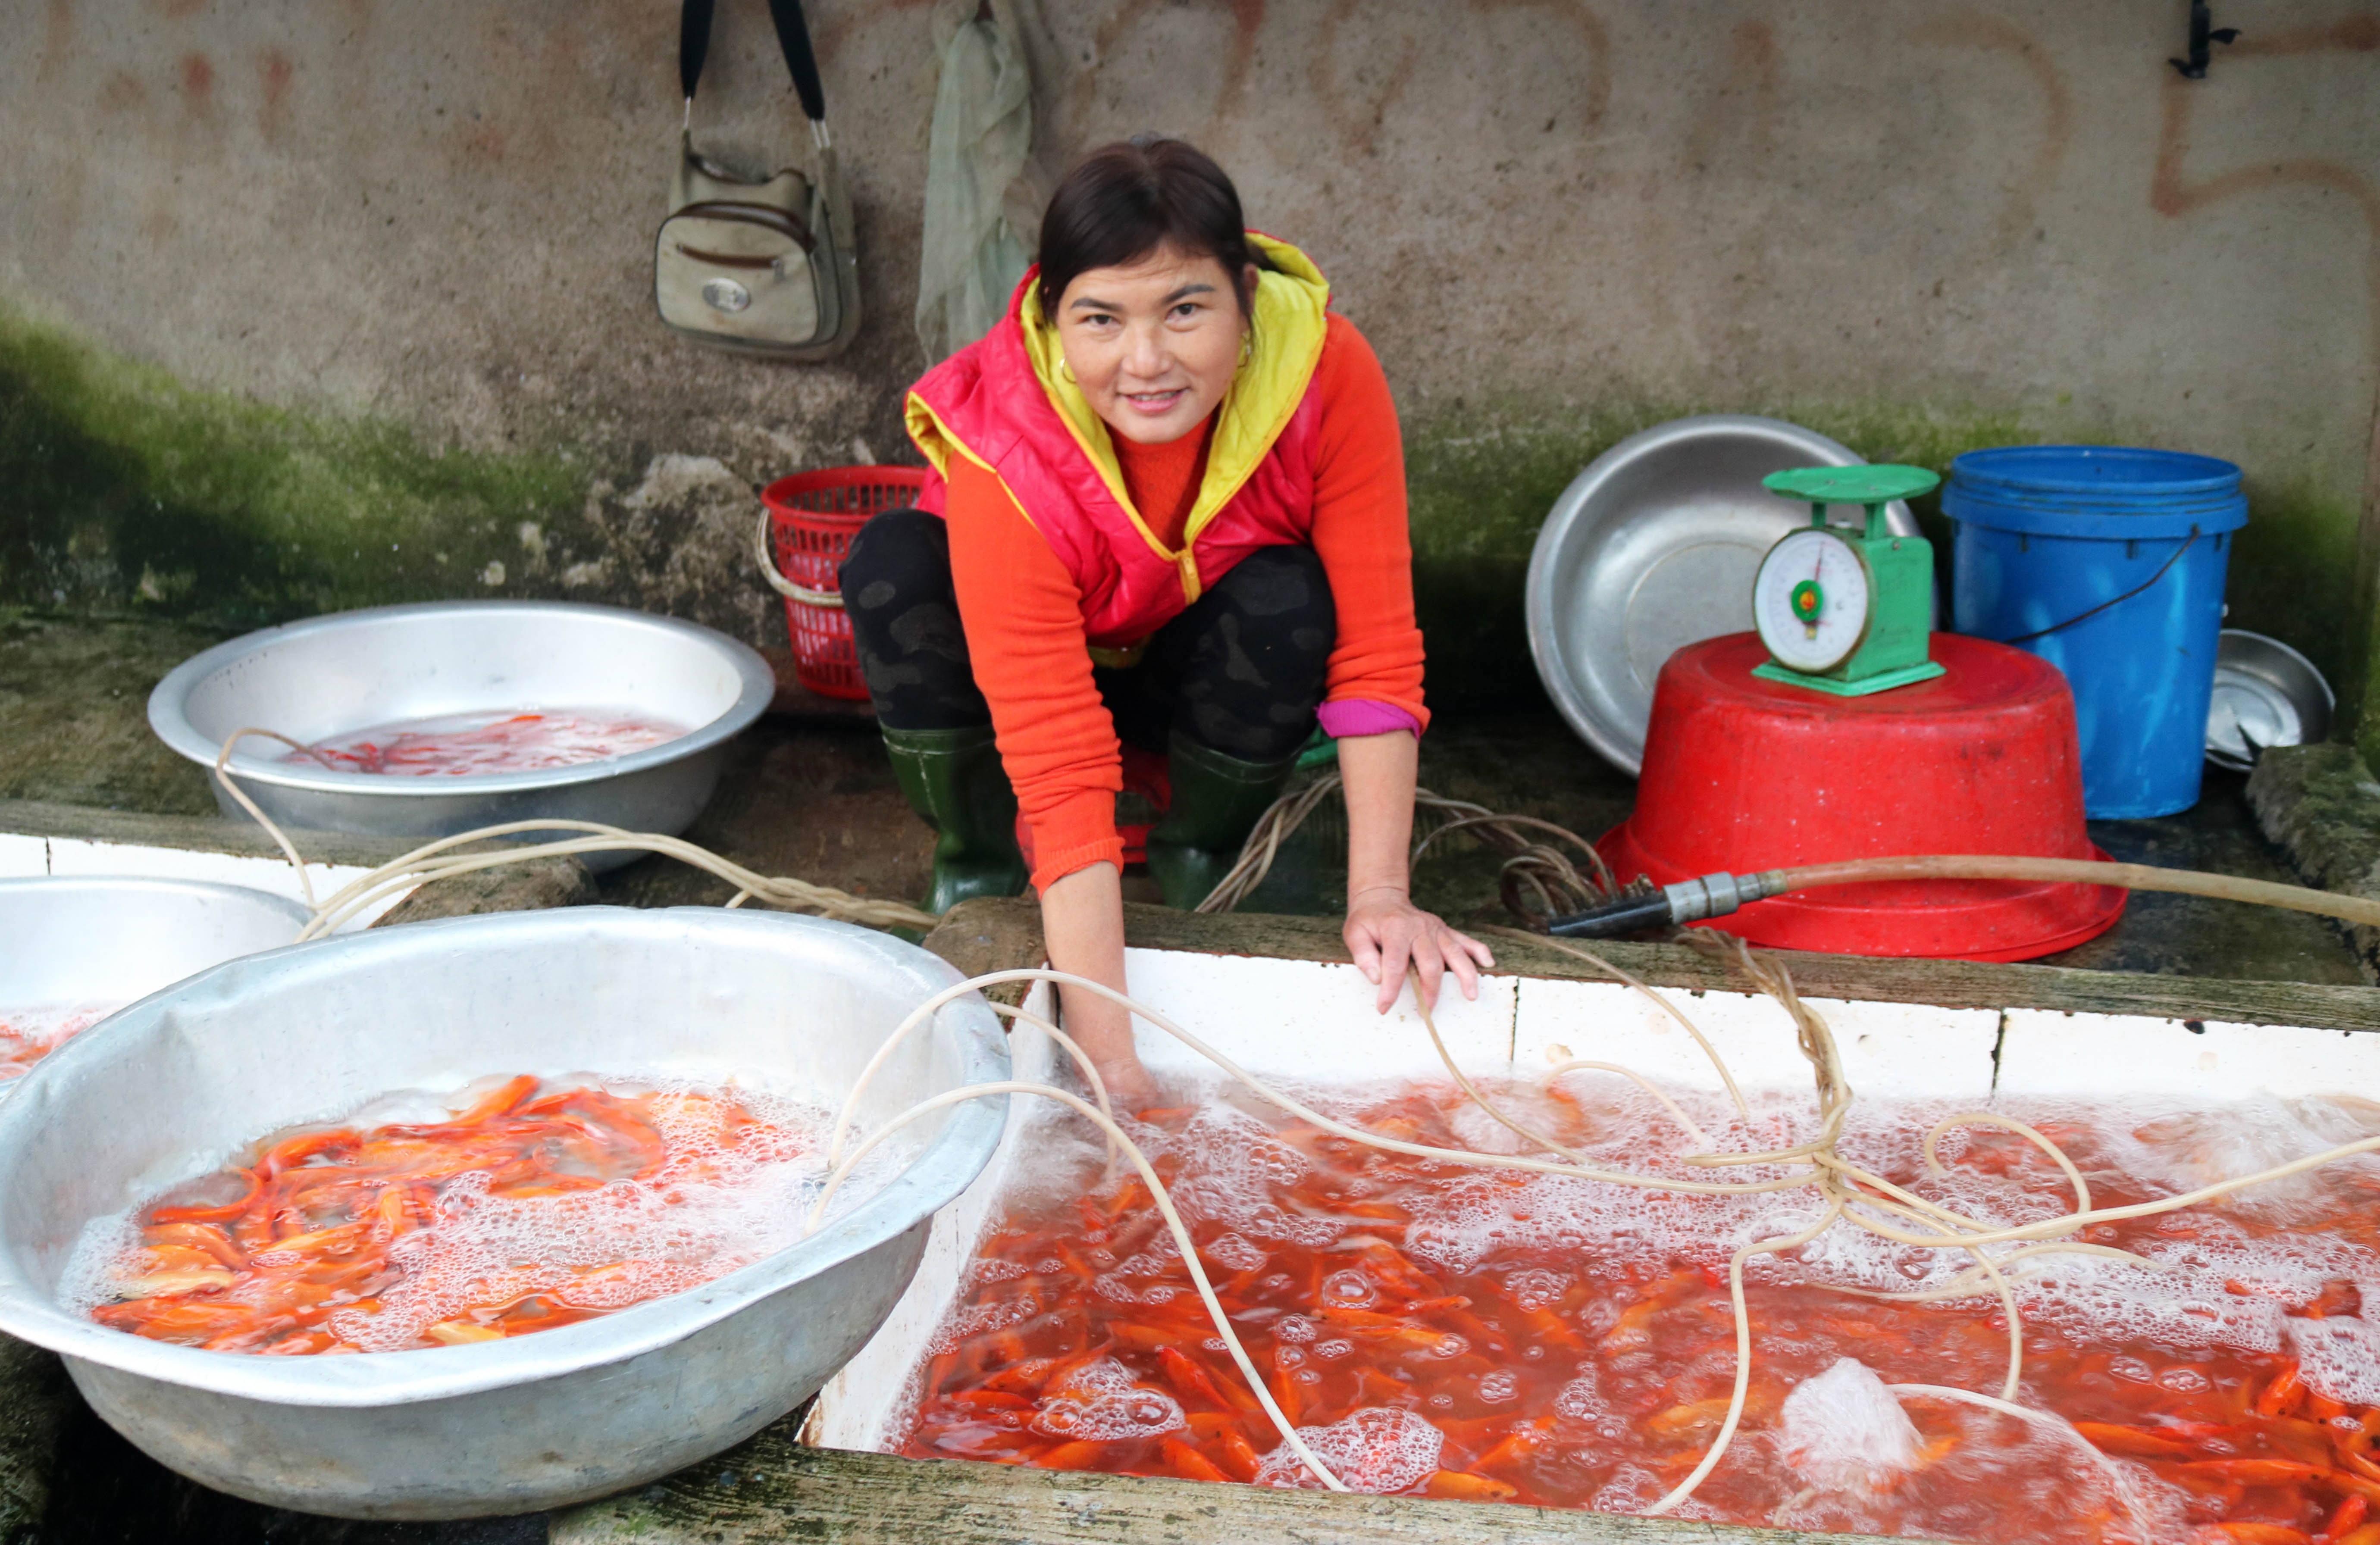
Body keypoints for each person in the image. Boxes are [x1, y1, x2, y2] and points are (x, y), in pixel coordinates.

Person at [842, 135, 1491, 1107]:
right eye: (1100, 319)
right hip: (1031, 697)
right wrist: (1116, 1075)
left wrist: (1383, 898)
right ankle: (975, 866)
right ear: (1055, 319)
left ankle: (1205, 853)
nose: (1145, 361)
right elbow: (1058, 756)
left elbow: (1378, 651)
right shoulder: (1004, 433)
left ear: (1246, 294)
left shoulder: (1324, 370)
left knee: (1290, 593)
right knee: (891, 563)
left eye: (1185, 310)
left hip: (1185, 674)